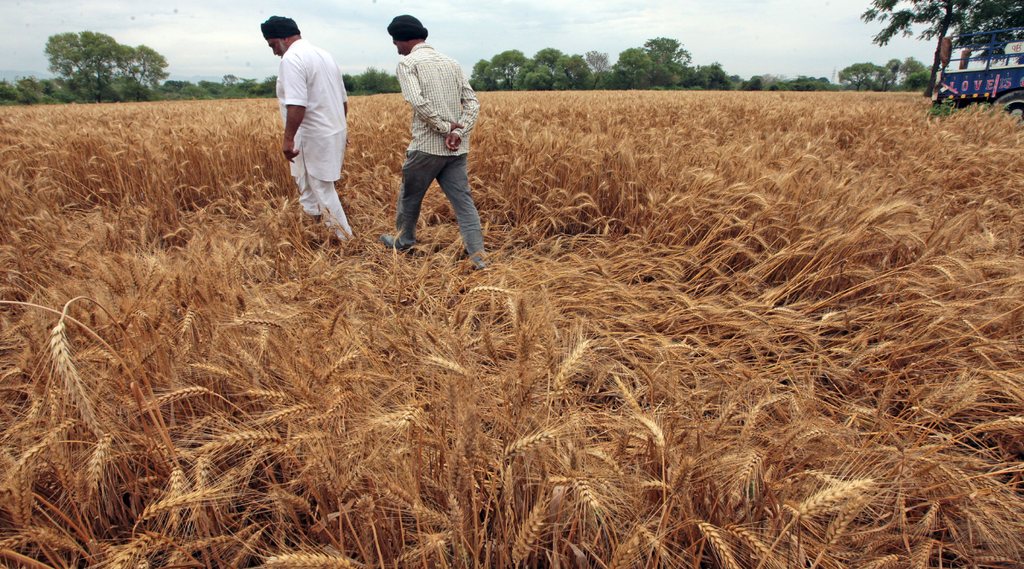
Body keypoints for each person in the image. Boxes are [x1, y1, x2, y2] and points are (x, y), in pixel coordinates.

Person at [381, 15, 487, 270]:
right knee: (464, 203)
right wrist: (458, 133)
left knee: (409, 198)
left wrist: (443, 128)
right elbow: (473, 103)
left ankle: (404, 241)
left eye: (395, 42)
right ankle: (479, 258)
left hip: (427, 147)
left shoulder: (408, 64)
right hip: (456, 149)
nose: (396, 48)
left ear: (402, 39)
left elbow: (417, 103)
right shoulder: (452, 62)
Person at [261, 16, 353, 241]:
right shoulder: (325, 55)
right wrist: (341, 126)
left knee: (322, 187)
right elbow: (343, 100)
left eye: (273, 45)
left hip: (312, 135)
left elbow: (297, 103)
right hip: (331, 131)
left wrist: (288, 139)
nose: (274, 52)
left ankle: (345, 240)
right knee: (306, 182)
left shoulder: (291, 59)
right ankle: (317, 229)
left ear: (284, 37)